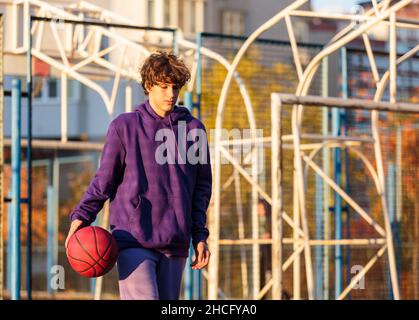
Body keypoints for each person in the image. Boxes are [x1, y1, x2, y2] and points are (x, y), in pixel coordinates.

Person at [65, 51, 212, 300]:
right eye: (164, 86)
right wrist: (81, 217)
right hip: (133, 239)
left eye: (175, 87)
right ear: (148, 86)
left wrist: (199, 235)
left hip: (175, 242)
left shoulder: (194, 130)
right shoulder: (124, 127)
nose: (171, 94)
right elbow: (104, 181)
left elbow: (201, 188)